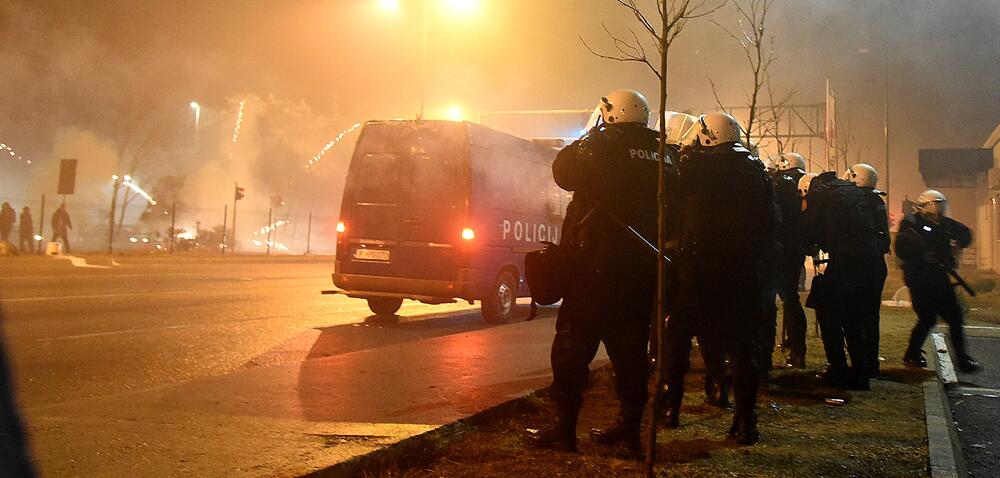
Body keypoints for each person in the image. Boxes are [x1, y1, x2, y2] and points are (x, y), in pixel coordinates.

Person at [526, 89, 673, 453]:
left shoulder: (602, 144)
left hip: (593, 272)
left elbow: (563, 172)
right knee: (631, 355)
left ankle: (565, 429)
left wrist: (590, 136)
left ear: (610, 114)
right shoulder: (664, 153)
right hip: (639, 274)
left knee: (571, 351)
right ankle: (630, 431)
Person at [661, 112, 777, 445]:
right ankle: (746, 420)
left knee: (677, 338)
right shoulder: (756, 171)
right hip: (742, 272)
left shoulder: (694, 168)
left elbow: (670, 206)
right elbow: (771, 222)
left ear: (707, 136)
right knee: (742, 349)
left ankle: (671, 406)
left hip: (698, 271)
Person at [802, 170, 881, 390]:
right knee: (854, 318)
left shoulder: (819, 194)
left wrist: (808, 246)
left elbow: (808, 231)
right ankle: (861, 372)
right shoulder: (853, 190)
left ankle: (838, 368)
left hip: (844, 261)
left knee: (828, 314)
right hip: (869, 260)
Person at [897, 190, 982, 373]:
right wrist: (922, 255)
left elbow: (965, 232)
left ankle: (961, 359)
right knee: (928, 318)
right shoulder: (912, 224)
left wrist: (958, 243)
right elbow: (902, 248)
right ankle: (913, 354)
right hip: (919, 278)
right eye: (935, 206)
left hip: (939, 276)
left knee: (953, 317)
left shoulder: (945, 224)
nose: (938, 211)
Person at [842, 163, 890, 377]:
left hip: (857, 265)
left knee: (853, 316)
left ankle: (860, 365)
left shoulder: (852, 202)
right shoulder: (877, 201)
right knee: (871, 317)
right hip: (876, 265)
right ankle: (871, 363)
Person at [769, 153, 809, 369]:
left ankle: (765, 353)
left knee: (767, 302)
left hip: (776, 250)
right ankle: (797, 350)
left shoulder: (778, 186)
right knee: (791, 301)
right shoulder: (804, 188)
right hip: (795, 252)